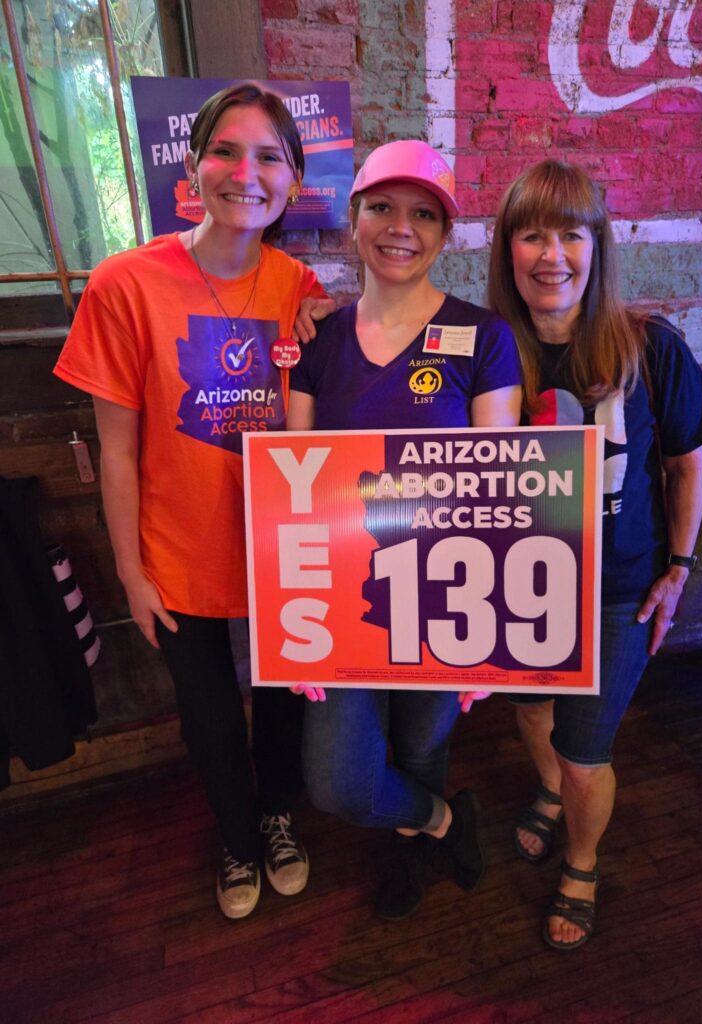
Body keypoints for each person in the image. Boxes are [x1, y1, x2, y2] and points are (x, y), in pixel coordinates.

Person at [54, 82, 331, 920]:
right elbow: (116, 449)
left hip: (284, 554)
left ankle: (277, 817)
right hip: (177, 554)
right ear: (192, 164)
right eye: (225, 150)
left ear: (291, 180)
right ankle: (237, 837)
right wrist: (132, 575)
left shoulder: (300, 286)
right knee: (209, 721)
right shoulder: (124, 283)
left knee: (284, 708)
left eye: (269, 157)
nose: (245, 172)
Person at [487, 159, 702, 950]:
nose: (551, 255)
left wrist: (680, 570)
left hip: (620, 587)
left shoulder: (652, 346)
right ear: (507, 250)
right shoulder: (483, 352)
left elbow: (687, 464)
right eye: (531, 235)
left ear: (597, 247)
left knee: (588, 753)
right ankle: (547, 793)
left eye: (570, 234)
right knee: (532, 713)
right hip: (513, 583)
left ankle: (580, 862)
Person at [287, 140, 523, 920]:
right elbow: (295, 487)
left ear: (445, 234)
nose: (401, 227)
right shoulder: (315, 343)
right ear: (352, 218)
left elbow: (502, 493)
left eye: (425, 213)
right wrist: (297, 614)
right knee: (340, 781)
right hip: (345, 603)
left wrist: (492, 634)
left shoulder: (484, 339)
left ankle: (411, 851)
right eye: (382, 206)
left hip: (445, 595)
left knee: (421, 749)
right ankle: (446, 821)